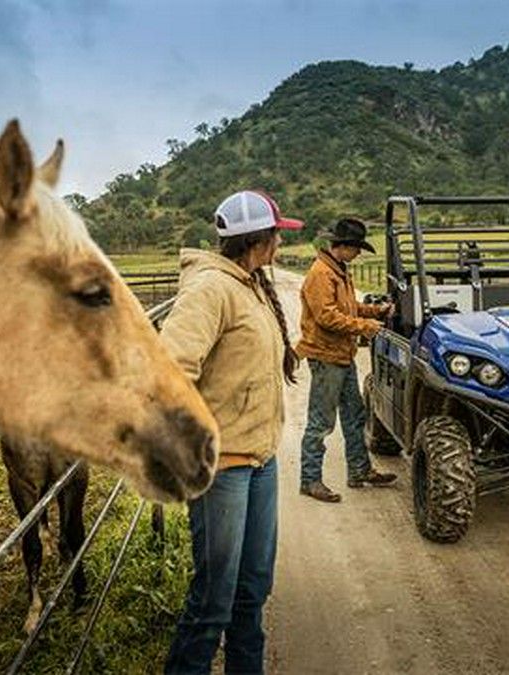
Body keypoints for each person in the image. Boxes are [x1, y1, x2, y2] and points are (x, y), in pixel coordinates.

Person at [160, 190, 302, 674]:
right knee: (213, 601)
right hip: (223, 469)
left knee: (252, 591)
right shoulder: (210, 289)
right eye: (279, 235)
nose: (281, 244)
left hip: (259, 463)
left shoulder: (249, 283)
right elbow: (170, 371)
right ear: (263, 241)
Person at [296, 217, 397, 503]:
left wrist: (374, 311)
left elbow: (348, 308)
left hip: (341, 355)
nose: (359, 254)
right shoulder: (321, 274)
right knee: (321, 421)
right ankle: (310, 479)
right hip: (327, 356)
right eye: (357, 248)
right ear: (345, 246)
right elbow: (326, 317)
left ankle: (360, 470)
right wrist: (365, 327)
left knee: (354, 415)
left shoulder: (338, 271)